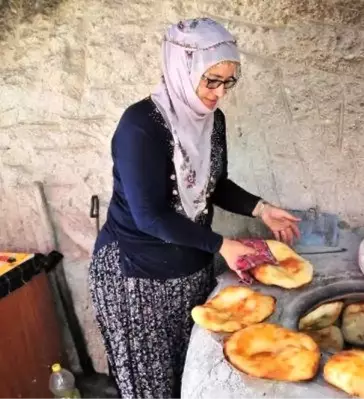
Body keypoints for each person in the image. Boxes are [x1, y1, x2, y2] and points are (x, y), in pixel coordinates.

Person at [88, 17, 301, 399]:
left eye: (227, 82)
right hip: (139, 279)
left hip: (191, 268)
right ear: (181, 69)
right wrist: (222, 245)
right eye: (211, 80)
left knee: (192, 380)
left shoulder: (211, 121)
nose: (219, 93)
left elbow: (214, 184)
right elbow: (150, 215)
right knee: (152, 389)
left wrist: (261, 209)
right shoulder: (141, 127)